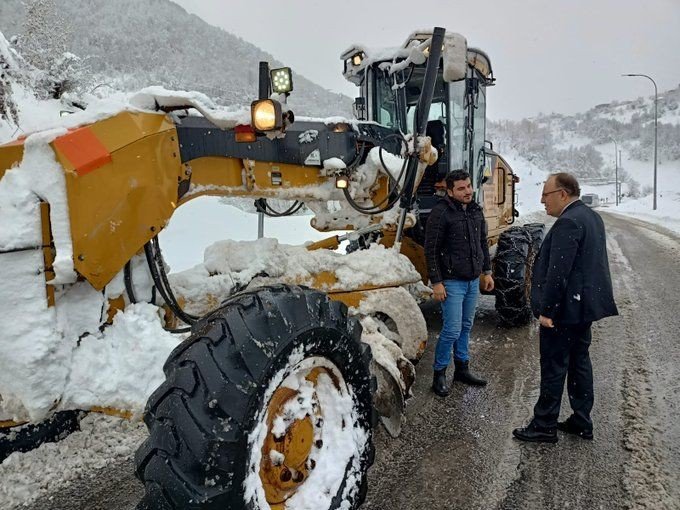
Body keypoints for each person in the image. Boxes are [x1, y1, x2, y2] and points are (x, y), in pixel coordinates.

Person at [513, 173, 618, 443]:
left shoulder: (569, 222)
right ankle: (582, 420)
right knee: (579, 362)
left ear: (563, 194)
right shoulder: (590, 217)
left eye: (546, 195)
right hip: (582, 309)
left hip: (564, 310)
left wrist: (547, 310)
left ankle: (544, 424)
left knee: (554, 366)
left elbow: (559, 273)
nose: (541, 200)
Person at [425, 170, 495, 397]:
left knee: (466, 326)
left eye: (468, 186)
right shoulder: (441, 213)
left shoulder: (475, 210)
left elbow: (482, 243)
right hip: (452, 282)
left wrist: (487, 272)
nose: (467, 191)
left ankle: (462, 369)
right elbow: (431, 250)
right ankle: (439, 373)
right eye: (461, 188)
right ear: (450, 191)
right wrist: (436, 282)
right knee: (452, 329)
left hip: (473, 280)